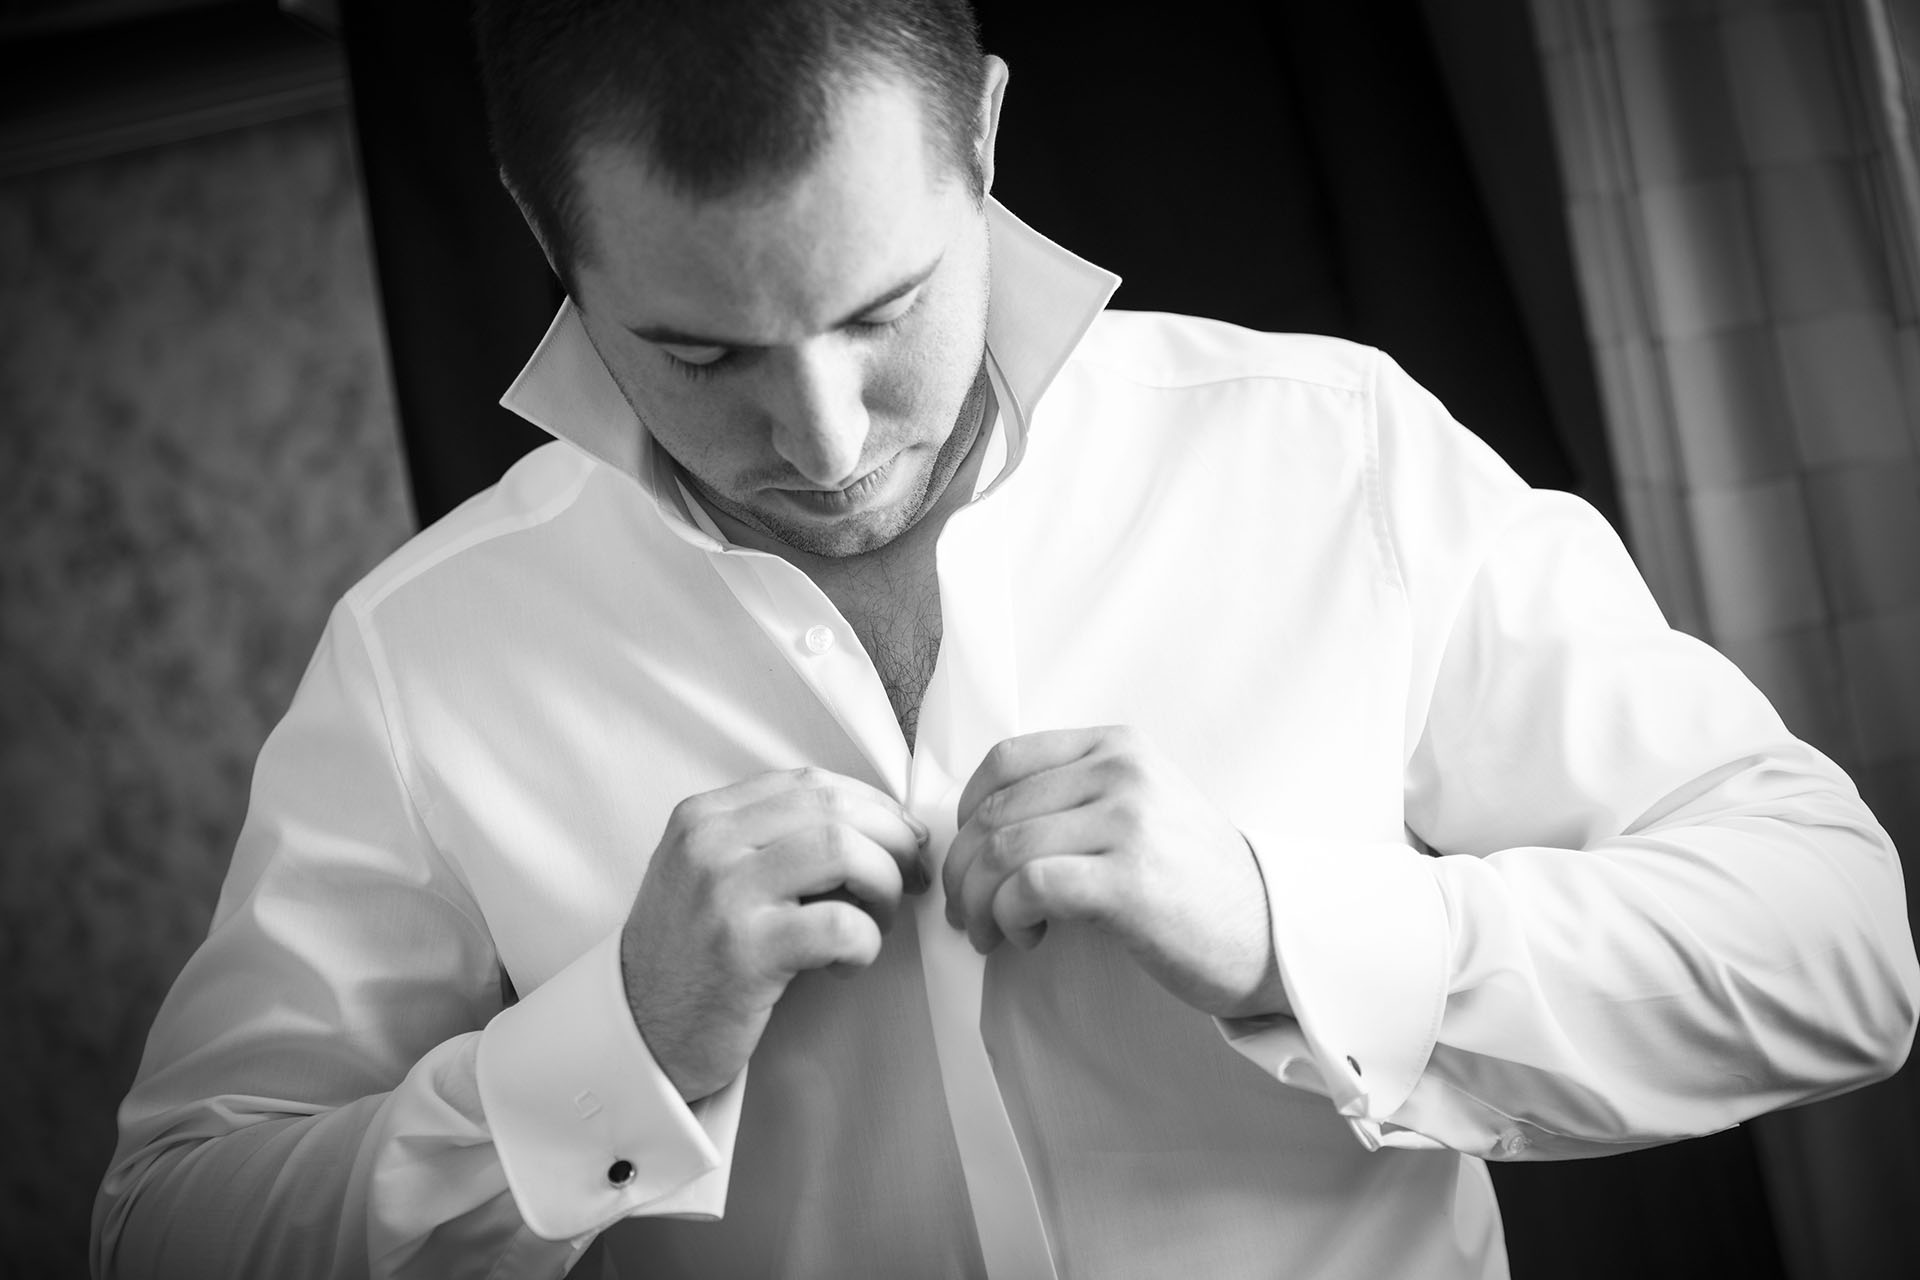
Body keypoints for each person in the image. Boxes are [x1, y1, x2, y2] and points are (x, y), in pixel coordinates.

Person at [93, 1, 1919, 1277]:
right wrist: (612, 1050)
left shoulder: (1327, 451)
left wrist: (1290, 935)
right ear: (537, 227)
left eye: (882, 310)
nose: (824, 442)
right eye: (701, 354)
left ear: (977, 131)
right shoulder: (425, 653)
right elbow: (165, 1231)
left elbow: (1837, 946)